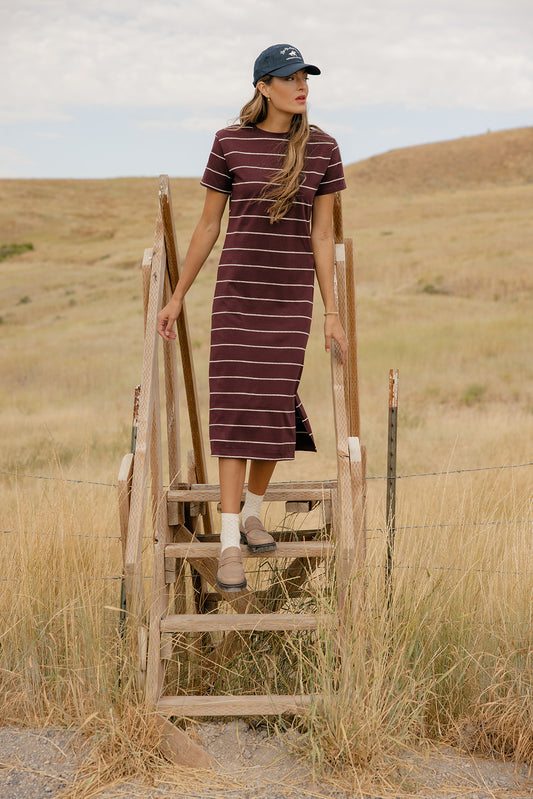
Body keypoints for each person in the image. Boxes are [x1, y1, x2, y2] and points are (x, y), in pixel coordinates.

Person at [157, 44, 348, 593]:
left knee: (272, 409)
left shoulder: (324, 148)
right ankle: (230, 544)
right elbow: (207, 227)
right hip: (236, 298)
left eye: (305, 76)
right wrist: (177, 297)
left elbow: (322, 233)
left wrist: (331, 312)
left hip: (290, 301)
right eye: (289, 77)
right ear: (264, 87)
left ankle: (253, 510)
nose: (301, 85)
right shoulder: (228, 143)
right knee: (236, 414)